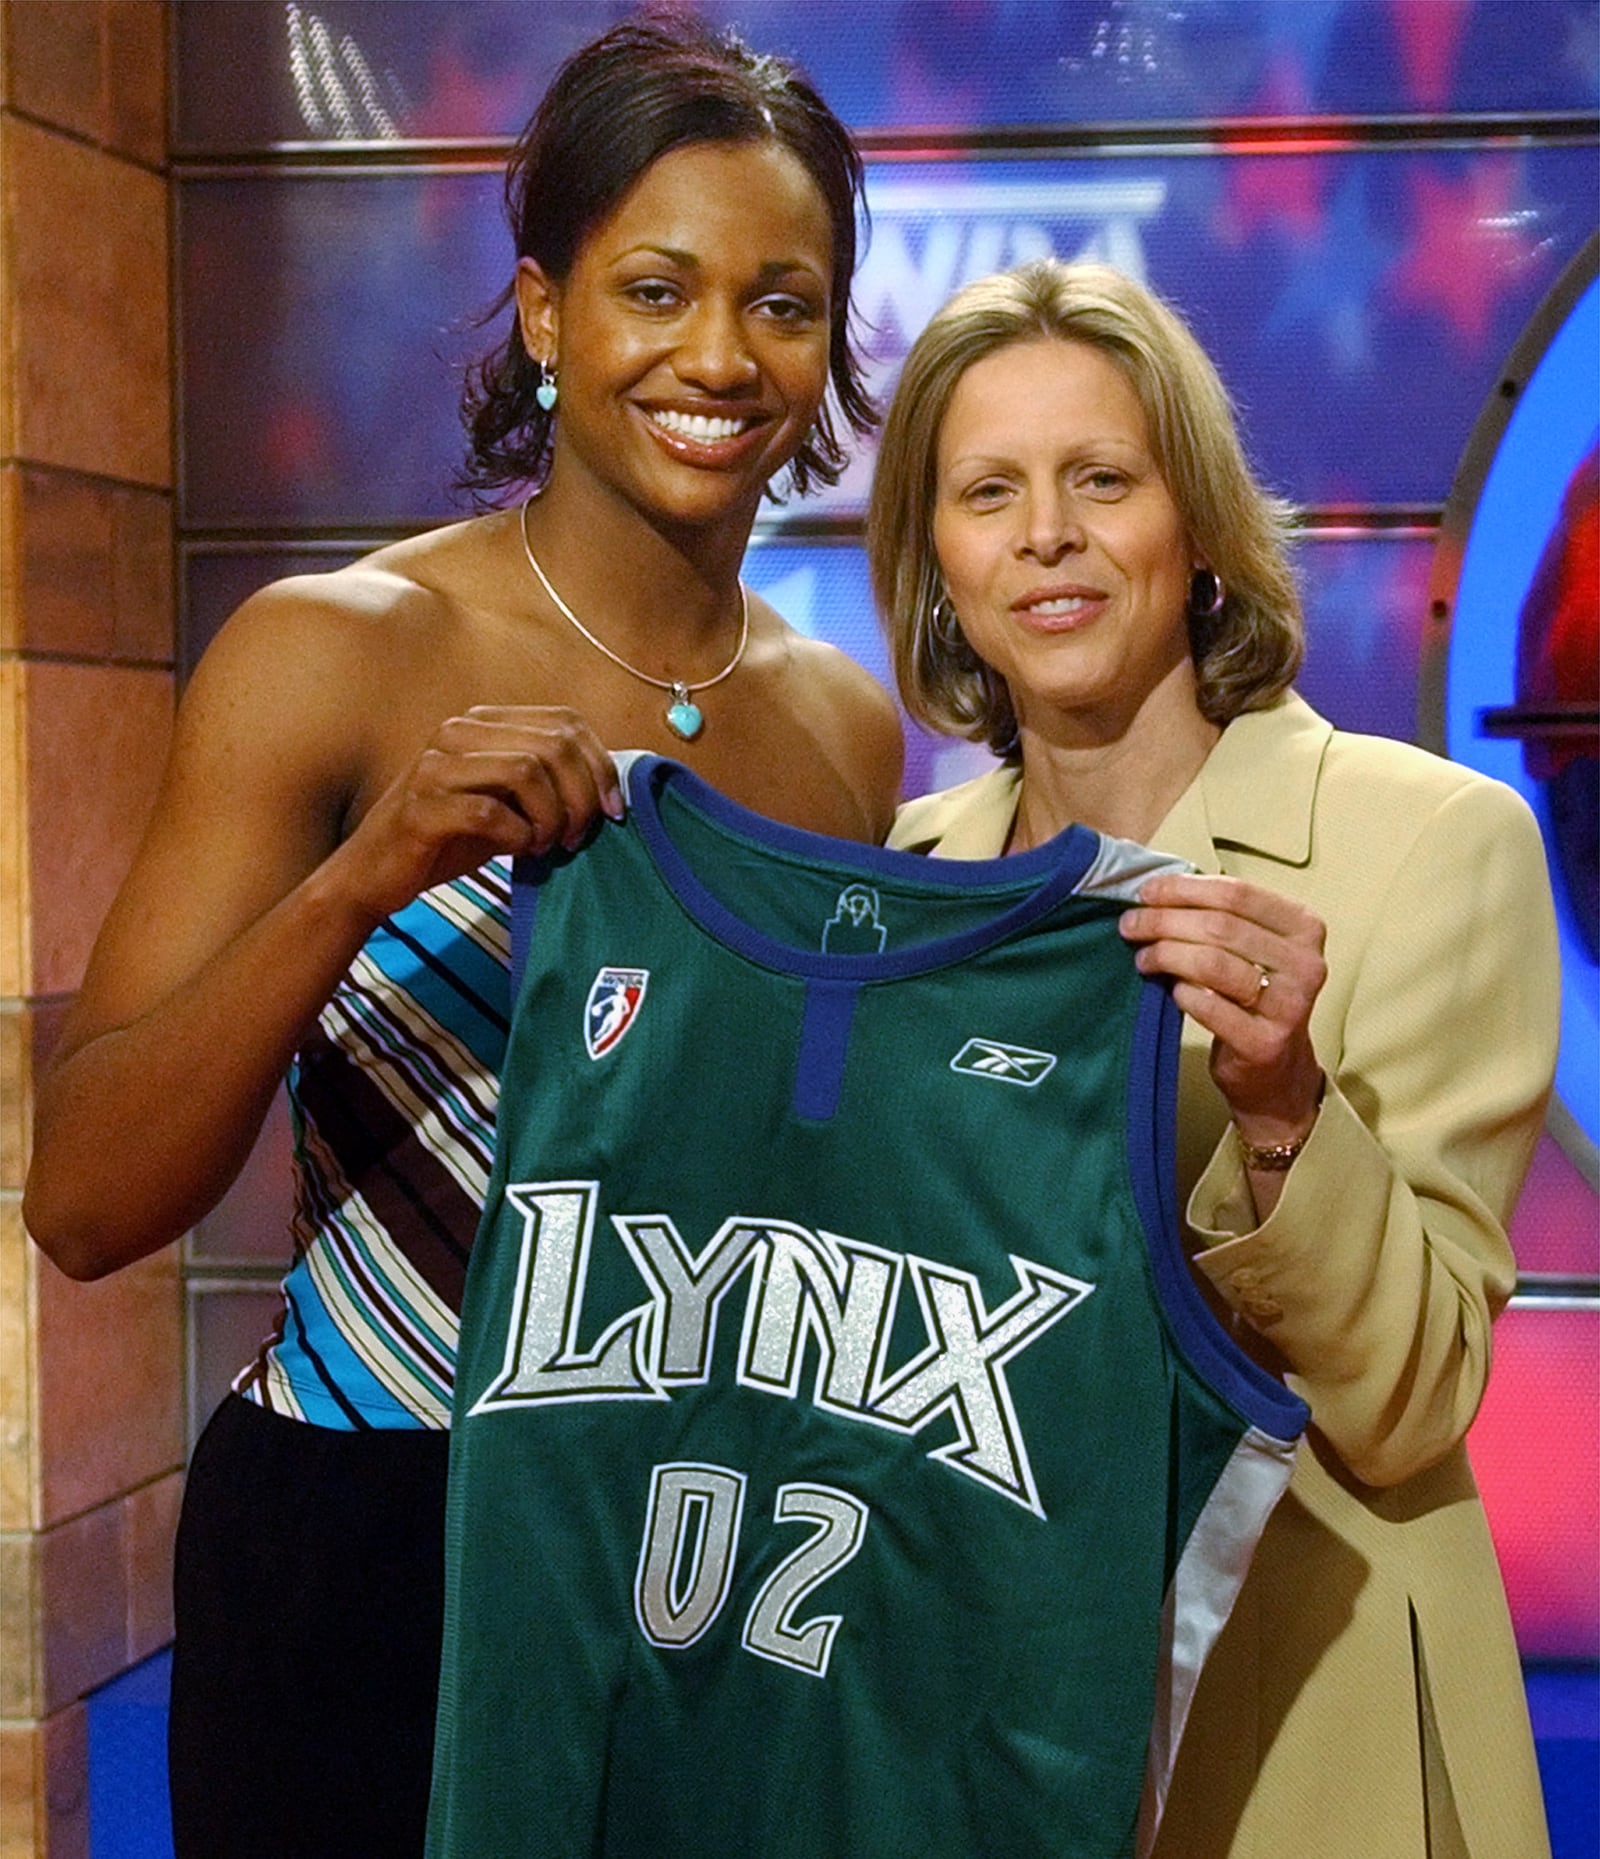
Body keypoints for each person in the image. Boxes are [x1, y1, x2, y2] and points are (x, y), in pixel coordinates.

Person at [23, 15, 902, 1857]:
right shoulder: (333, 651)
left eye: (784, 301)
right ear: (544, 312)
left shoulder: (841, 729)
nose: (720, 357)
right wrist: (364, 877)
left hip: (697, 1538)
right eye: (654, 288)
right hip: (366, 1538)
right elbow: (89, 1201)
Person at [868, 257, 1557, 1859]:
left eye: (1101, 478)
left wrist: (1282, 1115)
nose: (1047, 533)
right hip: (995, 1722)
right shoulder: (904, 870)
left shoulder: (1436, 843)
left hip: (1311, 1724)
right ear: (938, 560)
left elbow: (1408, 1401)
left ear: (1195, 531)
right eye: (989, 492)